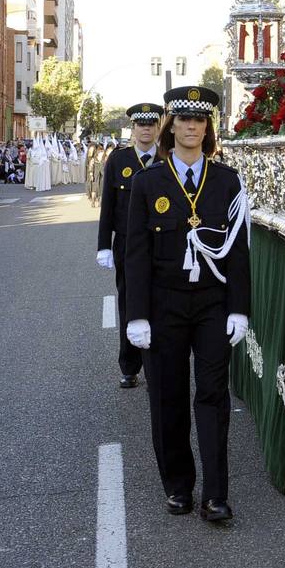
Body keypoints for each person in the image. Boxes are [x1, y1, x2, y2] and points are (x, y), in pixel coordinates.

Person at [124, 86, 252, 523]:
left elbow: (238, 250)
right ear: (170, 127)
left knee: (213, 397)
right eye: (183, 120)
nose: (192, 127)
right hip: (165, 306)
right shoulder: (148, 182)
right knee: (168, 397)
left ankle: (215, 495)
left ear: (208, 128)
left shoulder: (227, 180)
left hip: (214, 305)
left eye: (200, 121)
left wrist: (240, 307)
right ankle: (178, 486)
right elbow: (136, 253)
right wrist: (136, 315)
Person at [98, 104, 165, 390]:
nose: (146, 129)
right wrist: (103, 245)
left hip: (163, 244)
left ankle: (156, 368)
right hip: (127, 244)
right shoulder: (118, 160)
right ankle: (129, 366)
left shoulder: (168, 158)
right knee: (129, 304)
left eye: (151, 124)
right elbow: (107, 206)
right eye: (141, 124)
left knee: (161, 306)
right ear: (133, 128)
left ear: (159, 127)